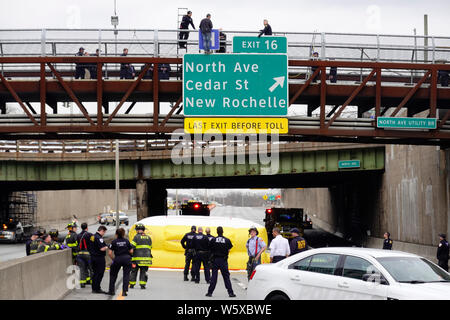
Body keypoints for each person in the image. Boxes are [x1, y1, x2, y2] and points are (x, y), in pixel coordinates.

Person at [206, 226, 236, 297]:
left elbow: (210, 249)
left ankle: (210, 292)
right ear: (223, 232)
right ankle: (230, 293)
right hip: (223, 260)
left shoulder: (213, 240)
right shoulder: (227, 240)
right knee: (226, 277)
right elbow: (229, 249)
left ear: (217, 232)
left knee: (214, 277)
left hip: (215, 260)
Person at [107, 228, 133, 296]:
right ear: (124, 234)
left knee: (113, 275)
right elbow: (131, 251)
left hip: (117, 259)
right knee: (126, 275)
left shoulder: (114, 242)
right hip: (126, 259)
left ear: (116, 234)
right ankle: (124, 292)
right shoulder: (127, 241)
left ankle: (111, 291)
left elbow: (109, 253)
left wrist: (113, 259)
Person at [130, 223, 153, 289]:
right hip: (146, 260)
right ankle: (142, 285)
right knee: (143, 271)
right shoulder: (149, 237)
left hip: (136, 259)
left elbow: (132, 246)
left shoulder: (136, 237)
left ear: (137, 230)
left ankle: (132, 284)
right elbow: (150, 247)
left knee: (134, 271)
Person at [89, 225, 108, 294]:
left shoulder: (92, 236)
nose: (104, 234)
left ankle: (94, 288)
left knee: (95, 273)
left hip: (92, 257)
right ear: (102, 231)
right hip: (99, 258)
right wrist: (107, 247)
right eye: (104, 232)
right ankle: (97, 288)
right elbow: (102, 248)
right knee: (100, 273)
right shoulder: (99, 238)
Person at [77, 223, 93, 288]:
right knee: (91, 268)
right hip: (87, 254)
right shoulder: (90, 234)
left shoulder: (78, 235)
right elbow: (93, 243)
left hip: (80, 254)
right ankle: (92, 281)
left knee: (82, 269)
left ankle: (83, 283)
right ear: (87, 228)